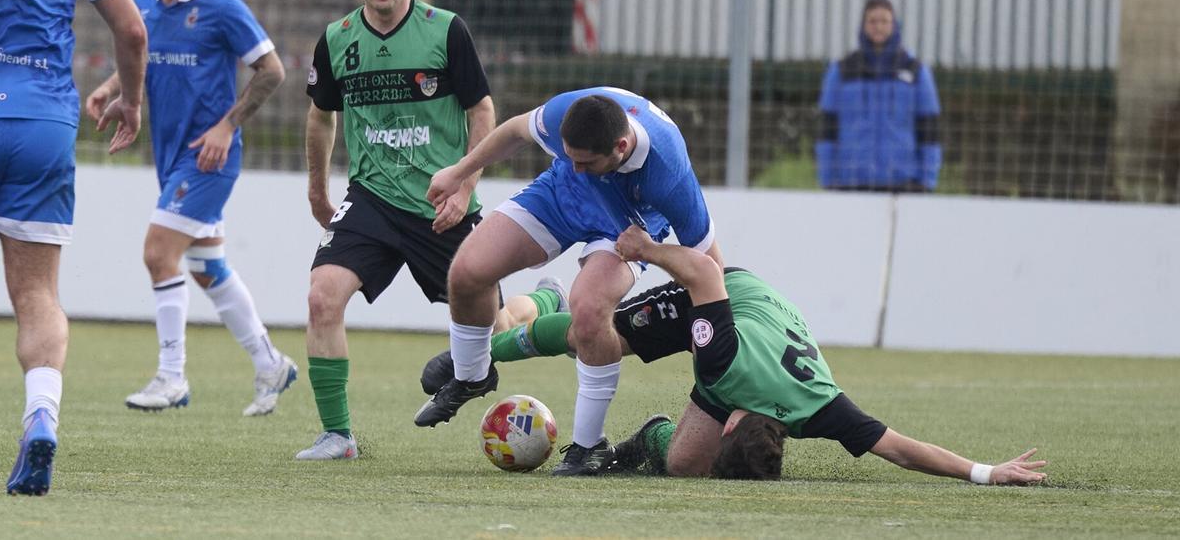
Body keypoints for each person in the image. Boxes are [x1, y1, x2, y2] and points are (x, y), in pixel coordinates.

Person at [422, 228, 1047, 485]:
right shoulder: (721, 361)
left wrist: (986, 474)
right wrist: (645, 247)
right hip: (726, 299)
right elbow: (703, 273)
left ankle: (646, 436)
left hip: (753, 343)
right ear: (736, 419)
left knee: (688, 465)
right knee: (599, 335)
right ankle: (503, 335)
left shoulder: (820, 410)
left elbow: (899, 446)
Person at [416, 86, 722, 477]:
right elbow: (513, 132)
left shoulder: (669, 175)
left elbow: (711, 267)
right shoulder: (568, 118)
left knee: (590, 309)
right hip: (562, 195)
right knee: (467, 271)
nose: (576, 165)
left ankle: (589, 447)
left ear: (621, 146)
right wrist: (459, 174)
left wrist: (724, 347)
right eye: (569, 156)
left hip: (627, 226)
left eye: (586, 161)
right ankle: (471, 377)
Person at [85, 0, 297, 417]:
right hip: (171, 156)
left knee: (159, 254)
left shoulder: (223, 8)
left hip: (209, 157)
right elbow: (136, 56)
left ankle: (171, 377)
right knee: (206, 266)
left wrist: (228, 125)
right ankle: (270, 363)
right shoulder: (143, 7)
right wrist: (112, 88)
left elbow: (272, 70)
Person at [298, 0, 496, 460]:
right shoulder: (337, 41)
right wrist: (319, 189)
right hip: (371, 199)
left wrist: (464, 184)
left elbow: (482, 112)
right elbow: (320, 118)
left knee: (494, 327)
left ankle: (543, 299)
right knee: (321, 298)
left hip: (441, 205)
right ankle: (337, 436)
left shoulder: (446, 30)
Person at [0, 0, 147, 495]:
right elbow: (131, 29)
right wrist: (131, 101)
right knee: (37, 295)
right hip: (42, 121)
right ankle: (41, 415)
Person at [816, 0, 943, 192]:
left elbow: (930, 129)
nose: (878, 27)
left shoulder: (915, 71)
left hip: (903, 183)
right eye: (872, 21)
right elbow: (827, 129)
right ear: (863, 25)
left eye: (884, 21)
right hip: (850, 183)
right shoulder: (842, 70)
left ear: (894, 25)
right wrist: (828, 179)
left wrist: (927, 181)